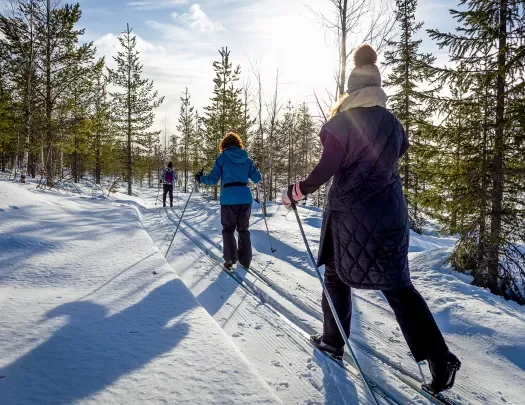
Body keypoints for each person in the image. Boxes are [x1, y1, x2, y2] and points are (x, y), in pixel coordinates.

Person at [282, 44, 461, 394]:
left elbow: (328, 166)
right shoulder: (393, 123)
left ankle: (333, 341)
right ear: (376, 88)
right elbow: (398, 153)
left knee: (335, 275)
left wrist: (298, 190)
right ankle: (440, 359)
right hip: (391, 212)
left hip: (351, 215)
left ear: (351, 89)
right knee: (397, 285)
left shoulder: (342, 122)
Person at [195, 132, 261, 270]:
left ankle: (230, 259)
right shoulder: (247, 160)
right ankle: (246, 260)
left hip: (229, 198)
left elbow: (213, 179)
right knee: (243, 229)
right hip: (244, 197)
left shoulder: (222, 158)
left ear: (224, 145)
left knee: (228, 229)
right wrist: (256, 169)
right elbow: (257, 178)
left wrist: (200, 178)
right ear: (238, 144)